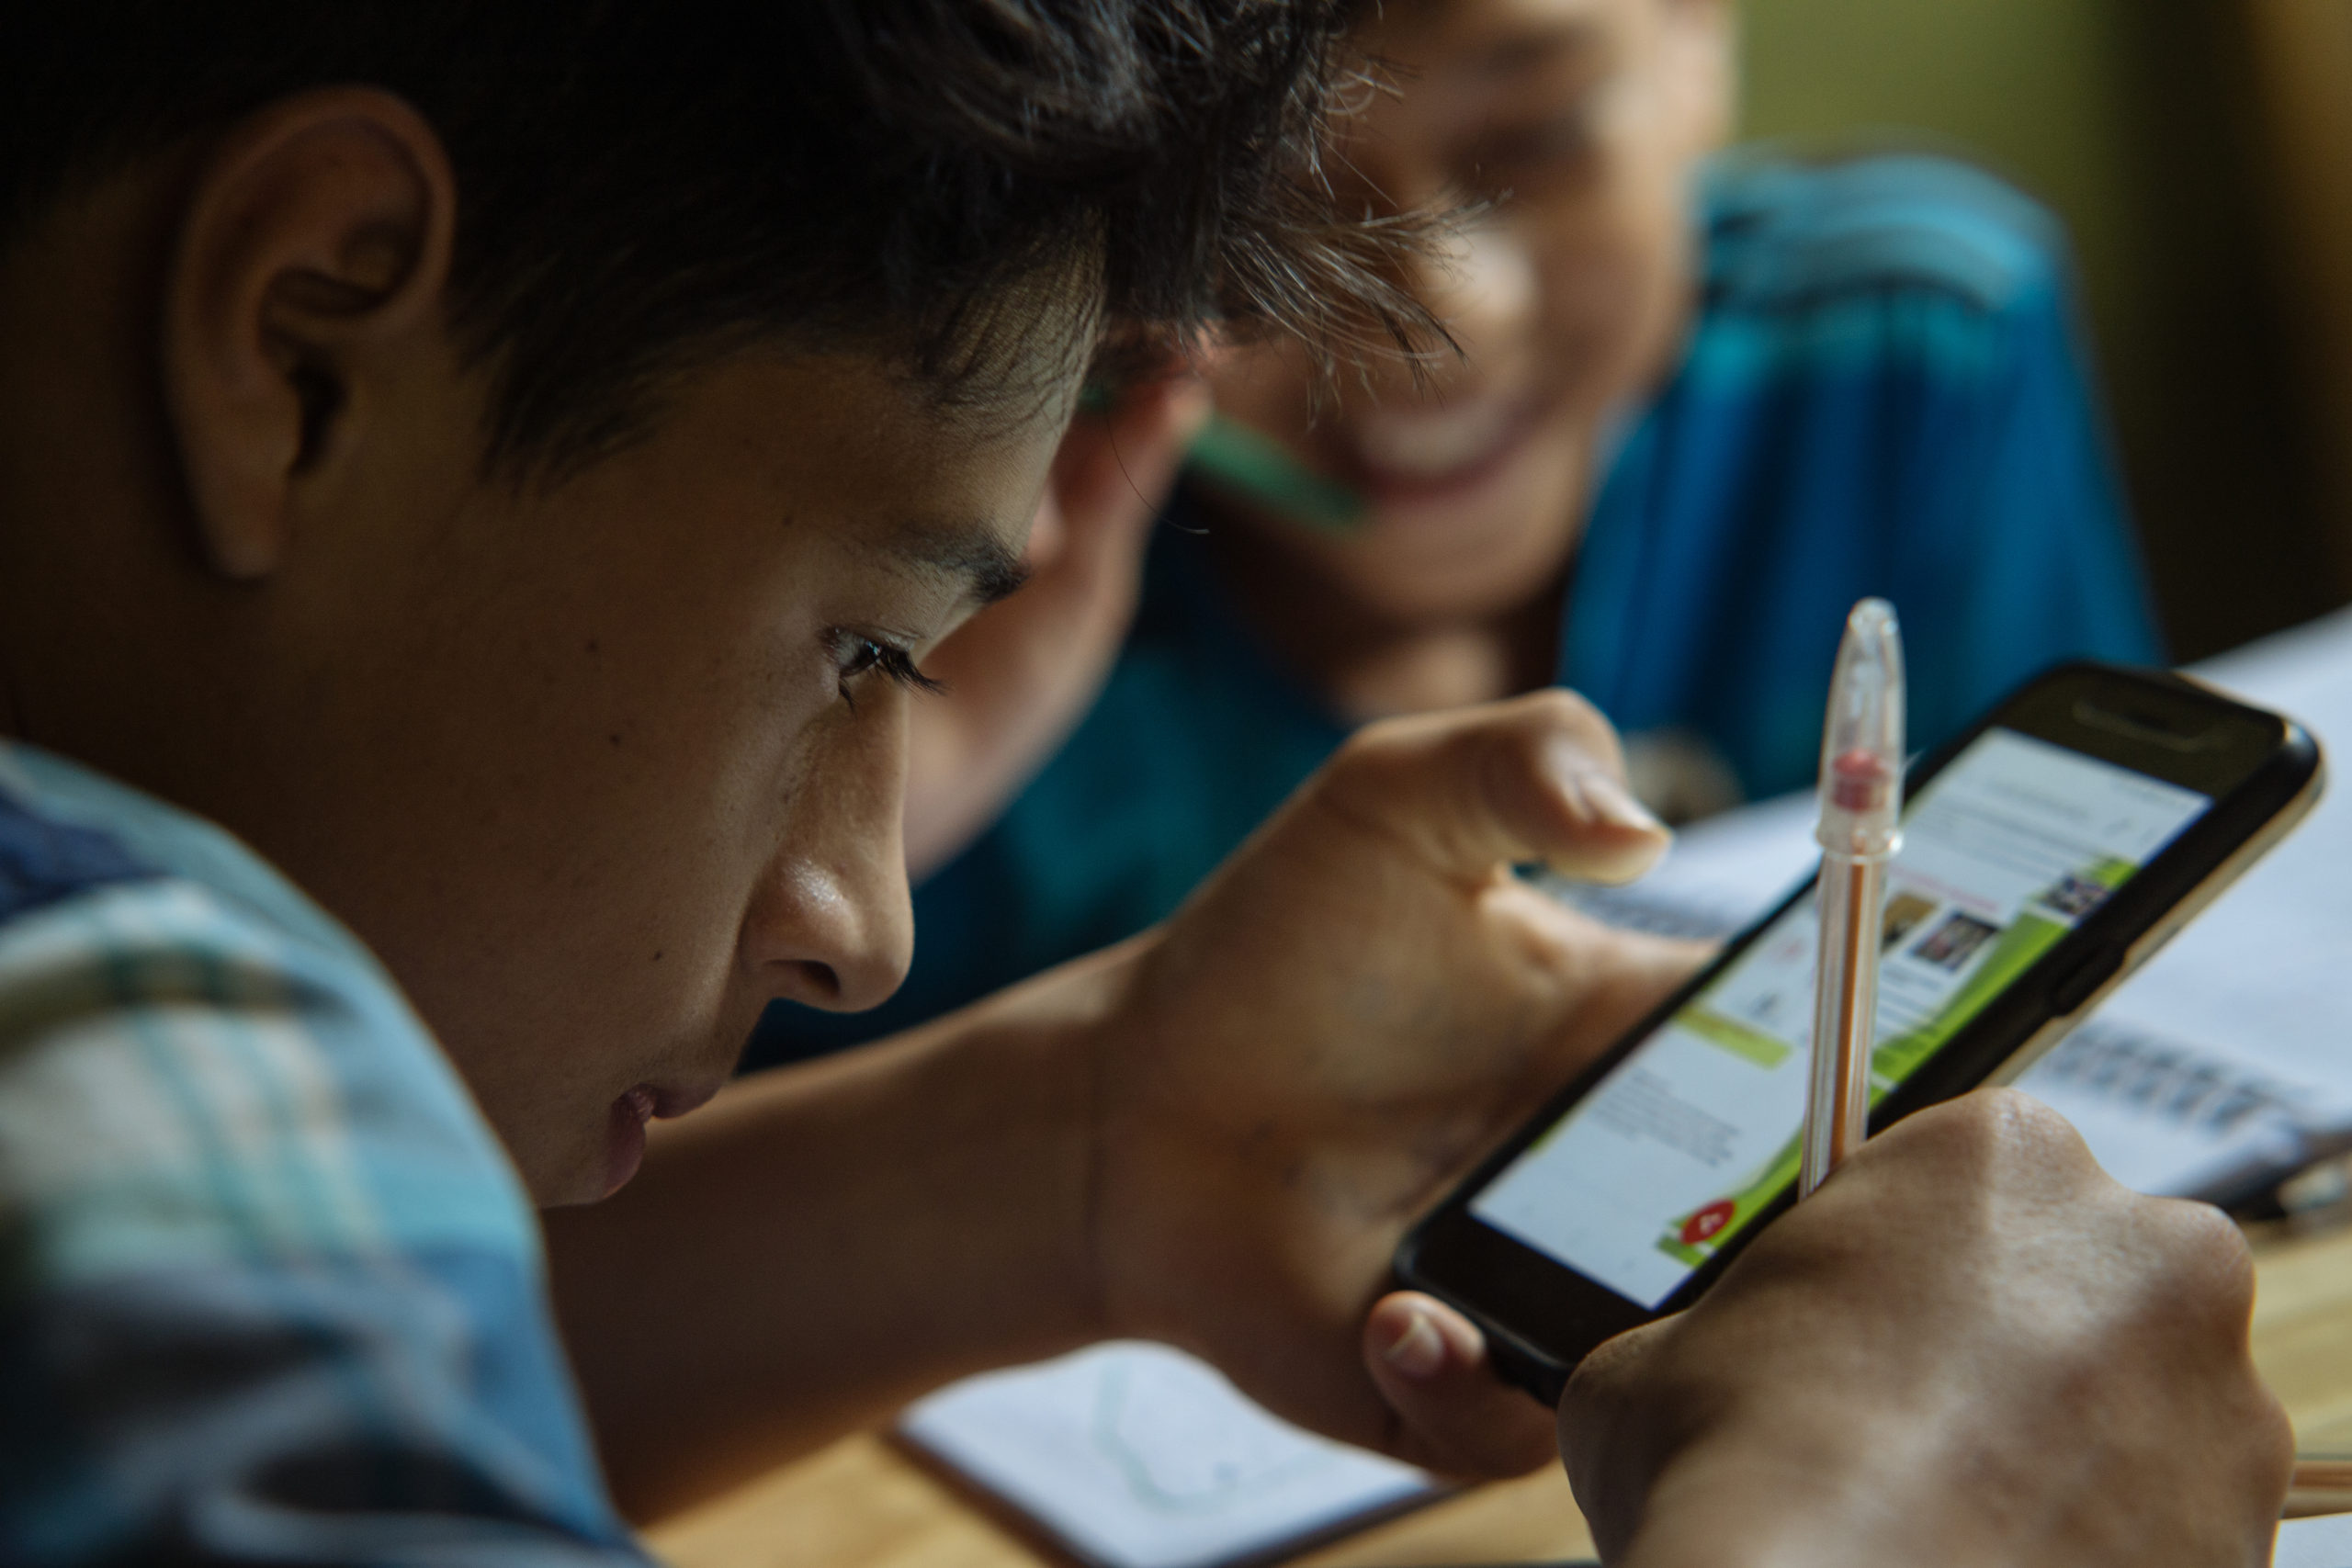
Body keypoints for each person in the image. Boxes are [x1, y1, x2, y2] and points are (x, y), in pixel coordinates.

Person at [0, 4, 2289, 1564]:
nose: (859, 917)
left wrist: (1083, 1137)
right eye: (868, 643)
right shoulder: (103, 1041)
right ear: (307, 338)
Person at [752, 0, 2167, 1064]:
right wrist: (836, 790)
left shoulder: (1907, 359)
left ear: (1694, 32)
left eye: (1534, 140)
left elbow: (2078, 963)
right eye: (1252, 229)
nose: (1443, 322)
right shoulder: (946, 612)